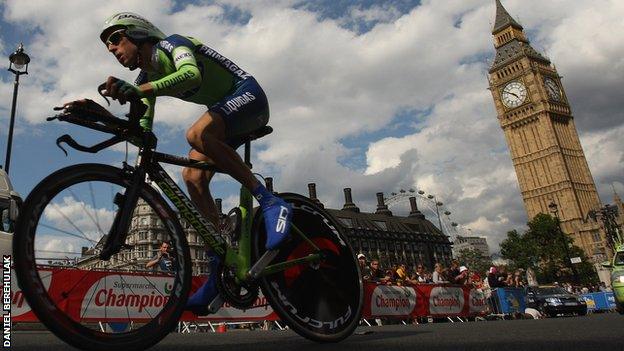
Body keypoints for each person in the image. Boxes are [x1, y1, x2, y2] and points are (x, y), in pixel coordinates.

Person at [91, 12, 294, 315]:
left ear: (137, 33)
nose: (112, 49)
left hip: (248, 96)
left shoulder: (173, 44)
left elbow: (191, 75)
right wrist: (101, 117)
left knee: (196, 133)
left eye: (115, 39)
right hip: (225, 115)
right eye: (108, 47)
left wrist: (139, 92)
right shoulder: (145, 77)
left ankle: (270, 201)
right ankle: (219, 270)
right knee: (192, 177)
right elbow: (144, 132)